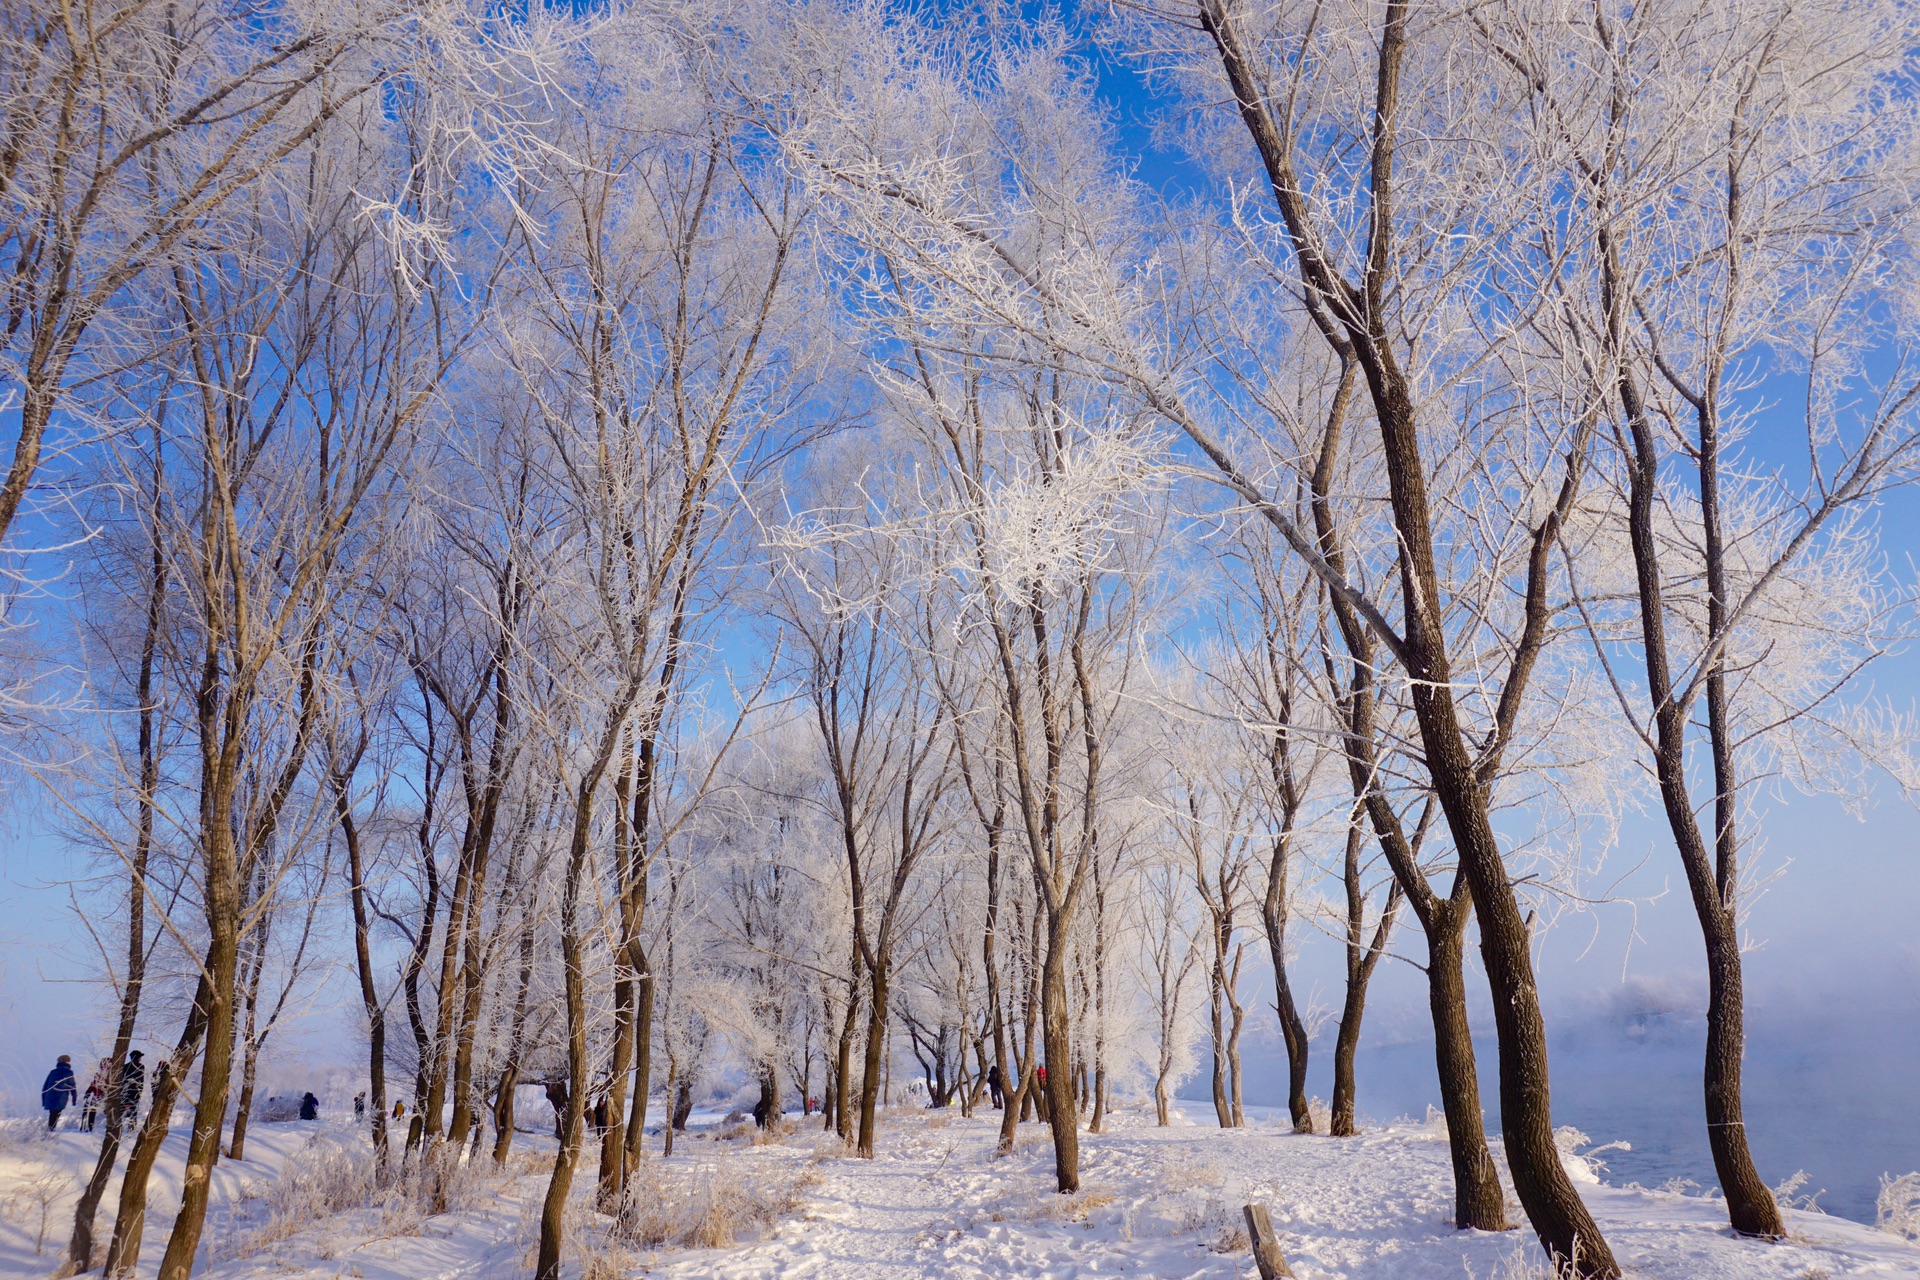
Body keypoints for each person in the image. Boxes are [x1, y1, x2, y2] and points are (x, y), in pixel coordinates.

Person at [42, 1055, 77, 1130]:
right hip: (61, 1096)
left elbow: (45, 1086)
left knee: (52, 1113)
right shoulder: (69, 1072)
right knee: (57, 1112)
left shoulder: (52, 1072)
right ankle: (51, 1129)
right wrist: (74, 1097)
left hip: (50, 1095)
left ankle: (50, 1129)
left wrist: (43, 1098)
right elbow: (72, 1086)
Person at [120, 1050, 146, 1133]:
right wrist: (140, 1091)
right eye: (140, 1057)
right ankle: (131, 1128)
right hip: (135, 1091)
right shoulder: (141, 1067)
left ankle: (118, 1127)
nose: (140, 1058)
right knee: (133, 1111)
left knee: (122, 1110)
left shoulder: (125, 1066)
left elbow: (122, 1080)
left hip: (125, 1091)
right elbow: (141, 1081)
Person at [81, 1059, 110, 1132]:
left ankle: (91, 1127)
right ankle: (90, 1127)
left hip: (103, 1096)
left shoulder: (110, 1075)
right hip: (101, 1096)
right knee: (93, 1110)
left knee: (105, 1111)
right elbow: (93, 1084)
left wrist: (88, 1092)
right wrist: (88, 1092)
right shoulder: (99, 1074)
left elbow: (93, 1085)